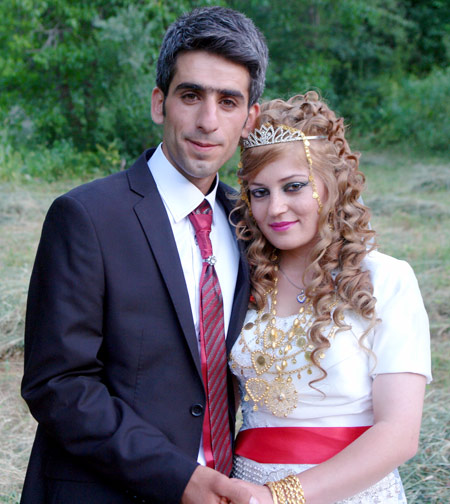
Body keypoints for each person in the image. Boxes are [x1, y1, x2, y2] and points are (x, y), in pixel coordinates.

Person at [20, 6, 268, 504]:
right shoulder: (85, 216)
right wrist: (179, 478)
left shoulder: (250, 222)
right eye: (191, 95)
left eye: (228, 101)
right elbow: (59, 384)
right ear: (160, 103)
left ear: (249, 119)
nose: (207, 121)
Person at [229, 91, 432, 503]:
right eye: (260, 192)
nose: (275, 208)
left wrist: (278, 497)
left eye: (294, 187)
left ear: (332, 183)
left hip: (351, 492)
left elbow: (399, 434)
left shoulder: (386, 280)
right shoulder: (242, 279)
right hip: (246, 486)